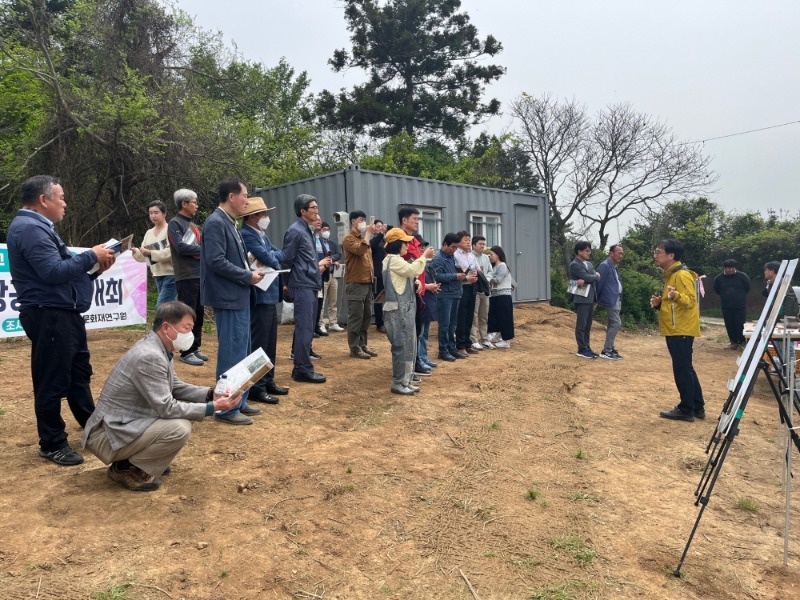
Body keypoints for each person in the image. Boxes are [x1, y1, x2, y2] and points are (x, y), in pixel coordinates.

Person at [7, 175, 116, 466]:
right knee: (51, 380)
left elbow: (63, 275)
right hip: (49, 314)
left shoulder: (39, 228)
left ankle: (91, 424)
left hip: (63, 313)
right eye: (61, 197)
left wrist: (95, 268)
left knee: (78, 374)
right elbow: (53, 272)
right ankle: (52, 442)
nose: (65, 203)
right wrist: (90, 254)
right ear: (44, 200)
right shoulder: (29, 228)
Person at [81, 302, 242, 491]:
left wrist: (210, 394)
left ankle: (140, 461)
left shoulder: (157, 348)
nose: (190, 334)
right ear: (166, 327)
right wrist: (212, 407)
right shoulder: (150, 356)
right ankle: (126, 468)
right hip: (109, 435)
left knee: (178, 422)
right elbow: (166, 407)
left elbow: (175, 387)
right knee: (179, 427)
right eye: (186, 328)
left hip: (120, 426)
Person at [200, 178, 266, 425]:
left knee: (243, 352)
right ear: (231, 196)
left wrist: (250, 271)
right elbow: (215, 261)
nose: (247, 201)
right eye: (244, 195)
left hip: (239, 295)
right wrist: (247, 276)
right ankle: (226, 409)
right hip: (228, 298)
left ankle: (240, 400)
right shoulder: (216, 223)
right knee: (231, 354)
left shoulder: (230, 223)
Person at [240, 197, 289, 403]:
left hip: (268, 293)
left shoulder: (261, 235)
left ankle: (268, 379)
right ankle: (256, 386)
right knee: (259, 342)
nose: (266, 218)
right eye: (264, 214)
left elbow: (280, 255)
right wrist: (271, 256)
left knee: (270, 341)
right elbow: (271, 259)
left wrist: (271, 255)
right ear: (253, 217)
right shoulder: (246, 234)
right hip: (259, 294)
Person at [651, 239, 705, 422]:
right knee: (686, 367)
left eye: (659, 251)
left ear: (671, 255)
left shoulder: (681, 275)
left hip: (680, 328)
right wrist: (661, 304)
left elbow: (690, 301)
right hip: (677, 327)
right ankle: (697, 406)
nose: (656, 255)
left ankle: (686, 409)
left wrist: (676, 295)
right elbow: (675, 304)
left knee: (682, 369)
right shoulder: (670, 274)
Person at [282, 194, 330, 383]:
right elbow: (286, 259)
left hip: (309, 282)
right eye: (313, 208)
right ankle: (302, 368)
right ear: (303, 211)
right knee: (304, 327)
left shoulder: (308, 231)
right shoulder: (296, 231)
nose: (317, 211)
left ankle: (303, 367)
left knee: (309, 327)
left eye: (317, 207)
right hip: (301, 284)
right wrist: (287, 283)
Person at [382, 228, 436, 394]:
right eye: (404, 242)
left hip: (404, 310)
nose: (407, 245)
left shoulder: (396, 260)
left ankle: (406, 380)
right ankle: (399, 382)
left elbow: (407, 276)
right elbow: (413, 270)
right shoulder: (393, 260)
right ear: (397, 244)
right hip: (398, 311)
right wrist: (424, 257)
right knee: (401, 346)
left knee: (408, 345)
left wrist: (415, 283)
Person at [168, 189, 206, 366]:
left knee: (198, 313)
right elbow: (181, 248)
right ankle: (185, 351)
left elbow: (199, 247)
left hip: (199, 275)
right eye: (194, 202)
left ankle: (195, 346)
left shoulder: (193, 226)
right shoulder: (174, 224)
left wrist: (199, 252)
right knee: (186, 314)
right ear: (184, 204)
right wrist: (201, 252)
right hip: (185, 276)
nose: (196, 205)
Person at [431, 233, 477, 361]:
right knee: (445, 324)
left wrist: (461, 277)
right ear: (445, 244)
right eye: (452, 247)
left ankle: (452, 348)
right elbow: (438, 276)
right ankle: (443, 350)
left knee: (453, 324)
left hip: (456, 293)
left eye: (456, 247)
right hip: (445, 295)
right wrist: (455, 276)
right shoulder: (438, 258)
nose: (454, 250)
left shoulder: (452, 257)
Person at [342, 210, 377, 359]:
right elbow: (360, 250)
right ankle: (354, 348)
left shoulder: (363, 238)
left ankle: (362, 344)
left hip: (367, 282)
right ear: (353, 222)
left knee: (366, 316)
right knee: (356, 317)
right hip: (355, 283)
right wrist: (368, 234)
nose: (363, 222)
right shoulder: (348, 239)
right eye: (360, 219)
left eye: (364, 219)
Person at [132, 200, 177, 309]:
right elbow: (145, 258)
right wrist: (136, 253)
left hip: (171, 274)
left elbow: (171, 253)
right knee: (168, 308)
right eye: (150, 213)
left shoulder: (171, 229)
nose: (153, 215)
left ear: (164, 213)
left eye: (156, 212)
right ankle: (171, 325)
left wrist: (150, 252)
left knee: (161, 306)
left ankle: (161, 326)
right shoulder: (148, 233)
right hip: (157, 274)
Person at [569, 241, 601, 359]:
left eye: (589, 250)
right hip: (581, 298)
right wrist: (596, 276)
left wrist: (591, 278)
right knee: (581, 324)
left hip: (590, 297)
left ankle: (587, 347)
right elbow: (589, 277)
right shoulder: (575, 264)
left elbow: (588, 278)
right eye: (587, 251)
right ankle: (581, 348)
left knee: (588, 324)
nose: (589, 253)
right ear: (579, 251)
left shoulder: (589, 264)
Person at [713, 259, 751, 349]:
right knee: (729, 324)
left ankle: (742, 342)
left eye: (732, 268)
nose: (730, 270)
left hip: (740, 305)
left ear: (735, 268)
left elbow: (747, 287)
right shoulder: (718, 278)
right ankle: (733, 342)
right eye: (728, 268)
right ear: (725, 268)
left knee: (740, 323)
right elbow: (716, 289)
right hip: (726, 305)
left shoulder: (742, 276)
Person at [595, 244, 625, 360]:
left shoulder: (613, 266)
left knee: (612, 324)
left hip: (616, 298)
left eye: (622, 254)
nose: (621, 256)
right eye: (619, 253)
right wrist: (596, 299)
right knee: (616, 323)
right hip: (610, 299)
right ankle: (606, 351)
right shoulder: (605, 265)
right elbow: (599, 283)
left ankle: (610, 348)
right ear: (611, 253)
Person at [416, 236, 441, 371]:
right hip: (420, 301)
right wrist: (428, 286)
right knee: (419, 334)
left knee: (425, 332)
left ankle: (424, 357)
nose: (423, 248)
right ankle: (419, 359)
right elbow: (414, 282)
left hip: (428, 300)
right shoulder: (414, 262)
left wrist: (433, 286)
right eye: (420, 246)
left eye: (424, 246)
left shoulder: (425, 263)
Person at [454, 231, 479, 355]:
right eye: (465, 240)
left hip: (471, 287)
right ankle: (460, 345)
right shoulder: (455, 255)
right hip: (461, 287)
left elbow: (477, 268)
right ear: (458, 242)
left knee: (470, 315)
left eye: (469, 239)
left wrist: (475, 274)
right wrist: (466, 277)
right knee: (461, 317)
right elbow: (456, 272)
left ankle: (468, 343)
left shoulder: (471, 255)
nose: (468, 242)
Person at [317, 220, 343, 334]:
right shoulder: (317, 243)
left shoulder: (332, 243)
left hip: (333, 274)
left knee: (333, 301)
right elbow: (320, 257)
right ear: (320, 231)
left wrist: (331, 260)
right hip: (323, 273)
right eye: (324, 230)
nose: (326, 232)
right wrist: (332, 261)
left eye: (328, 229)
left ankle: (333, 322)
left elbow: (338, 254)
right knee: (321, 300)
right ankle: (321, 323)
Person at [487, 246, 515, 348]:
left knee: (505, 317)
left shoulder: (502, 266)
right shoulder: (494, 267)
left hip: (503, 296)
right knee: (495, 316)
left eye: (492, 254)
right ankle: (498, 336)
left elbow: (498, 280)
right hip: (495, 295)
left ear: (498, 254)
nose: (490, 257)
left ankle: (507, 341)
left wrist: (488, 277)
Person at [470, 236, 494, 350]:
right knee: (474, 316)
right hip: (474, 290)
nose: (482, 246)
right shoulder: (469, 257)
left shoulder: (486, 258)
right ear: (474, 245)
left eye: (484, 244)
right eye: (480, 244)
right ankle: (474, 340)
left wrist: (486, 279)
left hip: (485, 290)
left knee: (484, 316)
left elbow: (490, 271)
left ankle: (484, 339)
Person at [370, 219, 388, 333]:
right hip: (377, 273)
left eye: (382, 226)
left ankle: (387, 321)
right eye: (378, 226)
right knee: (378, 299)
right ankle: (379, 323)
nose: (380, 228)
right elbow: (372, 247)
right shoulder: (372, 241)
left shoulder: (385, 241)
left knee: (387, 298)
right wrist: (381, 234)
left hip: (387, 273)